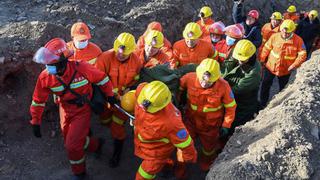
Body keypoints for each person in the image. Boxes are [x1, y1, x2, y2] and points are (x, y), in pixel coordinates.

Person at [30, 38, 114, 180]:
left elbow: (102, 78)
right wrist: (35, 121)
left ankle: (79, 173)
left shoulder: (82, 68)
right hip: (64, 108)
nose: (48, 68)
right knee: (69, 139)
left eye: (51, 65)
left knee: (72, 146)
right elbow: (38, 101)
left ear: (62, 63)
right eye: (47, 65)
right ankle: (96, 145)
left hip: (82, 110)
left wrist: (110, 95)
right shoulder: (46, 77)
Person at [95, 32, 143, 168]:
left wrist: (129, 92)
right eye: (119, 51)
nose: (120, 54)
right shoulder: (105, 58)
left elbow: (137, 81)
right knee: (104, 119)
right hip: (106, 99)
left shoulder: (136, 61)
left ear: (131, 51)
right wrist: (107, 96)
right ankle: (107, 126)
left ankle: (117, 152)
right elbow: (96, 80)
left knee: (117, 128)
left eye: (124, 53)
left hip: (123, 101)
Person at [179, 58, 236, 171]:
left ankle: (207, 165)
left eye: (209, 82)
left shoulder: (223, 86)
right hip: (191, 121)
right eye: (202, 80)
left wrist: (226, 125)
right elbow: (178, 89)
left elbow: (231, 107)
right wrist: (179, 103)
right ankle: (181, 167)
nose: (204, 84)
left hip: (211, 126)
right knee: (183, 145)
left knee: (209, 149)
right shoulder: (189, 78)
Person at [134, 81, 197, 180]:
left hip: (156, 153)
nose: (144, 108)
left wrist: (190, 158)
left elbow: (185, 142)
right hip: (142, 144)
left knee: (143, 176)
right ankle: (167, 166)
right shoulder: (143, 91)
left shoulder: (171, 122)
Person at [260, 19, 307, 108]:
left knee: (283, 89)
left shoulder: (298, 41)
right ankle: (262, 105)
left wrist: (294, 65)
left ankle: (279, 106)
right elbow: (266, 48)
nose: (284, 34)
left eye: (287, 33)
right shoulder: (274, 37)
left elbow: (302, 55)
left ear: (292, 31)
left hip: (286, 70)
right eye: (283, 31)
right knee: (265, 86)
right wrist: (262, 59)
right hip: (270, 67)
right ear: (281, 29)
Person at [222, 39, 261, 133]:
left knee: (236, 124)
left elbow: (238, 89)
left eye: (243, 60)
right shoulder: (237, 52)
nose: (239, 61)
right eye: (238, 58)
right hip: (230, 93)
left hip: (244, 103)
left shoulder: (254, 72)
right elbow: (227, 66)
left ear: (250, 56)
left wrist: (220, 91)